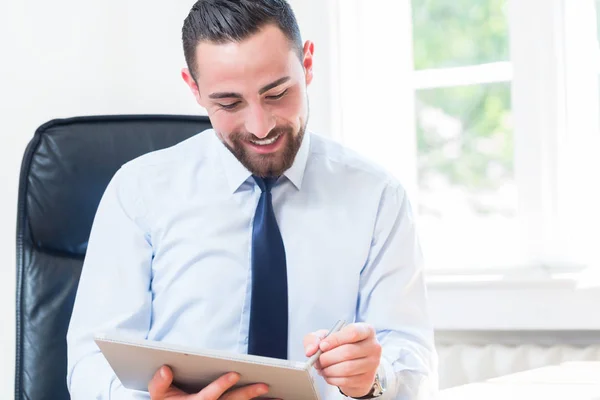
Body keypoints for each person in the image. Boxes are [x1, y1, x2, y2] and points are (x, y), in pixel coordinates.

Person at [66, 0, 437, 399]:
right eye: (229, 103)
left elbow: (410, 358)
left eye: (277, 93)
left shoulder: (377, 196)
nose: (260, 127)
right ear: (194, 88)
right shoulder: (138, 191)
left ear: (307, 63)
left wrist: (374, 379)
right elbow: (91, 360)